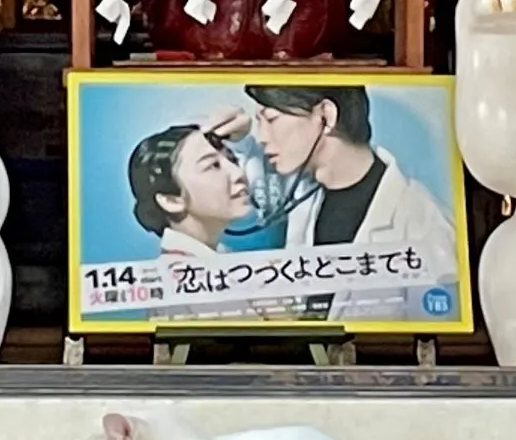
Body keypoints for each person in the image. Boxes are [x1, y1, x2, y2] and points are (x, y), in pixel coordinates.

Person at [245, 84, 458, 320]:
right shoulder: (302, 200)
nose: (262, 137)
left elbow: (435, 334)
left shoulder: (427, 226)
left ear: (326, 116)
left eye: (271, 120)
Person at [126, 124, 254, 258]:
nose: (238, 173)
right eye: (214, 165)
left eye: (232, 159)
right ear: (171, 200)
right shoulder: (176, 275)